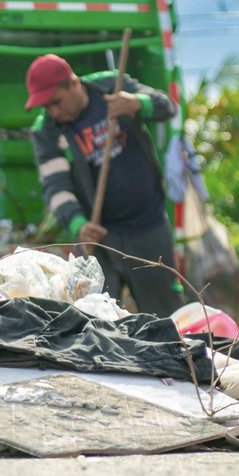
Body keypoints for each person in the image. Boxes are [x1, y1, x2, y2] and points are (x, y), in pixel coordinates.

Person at [26, 53, 184, 315]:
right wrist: (78, 225)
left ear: (73, 83)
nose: (53, 111)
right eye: (46, 107)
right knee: (94, 321)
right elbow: (56, 187)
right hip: (98, 240)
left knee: (165, 317)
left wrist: (137, 104)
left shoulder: (112, 86)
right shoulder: (46, 130)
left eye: (56, 102)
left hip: (148, 227)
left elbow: (167, 107)